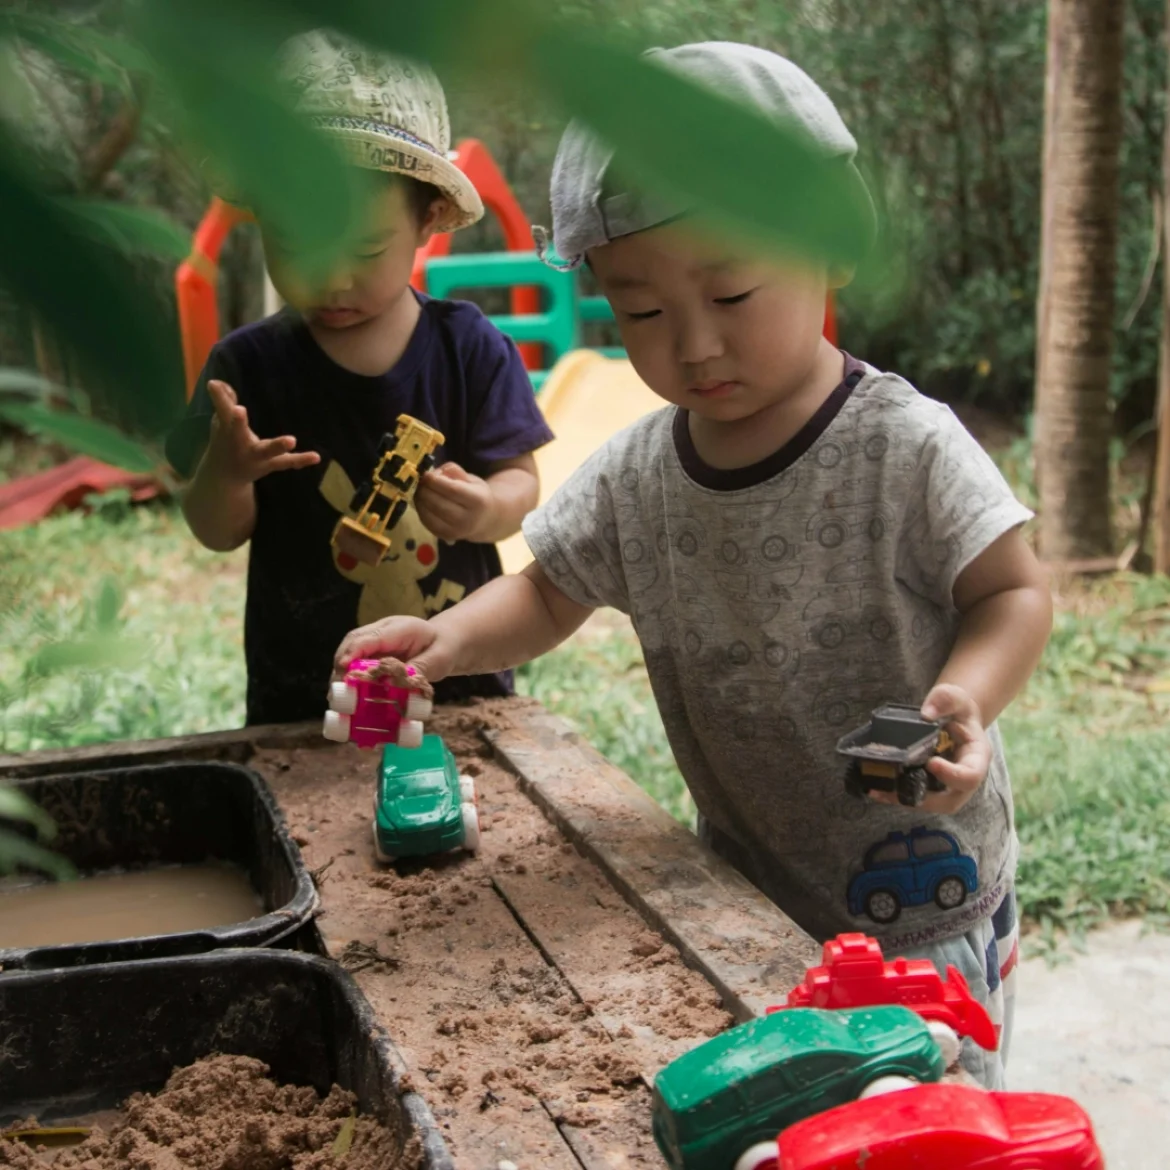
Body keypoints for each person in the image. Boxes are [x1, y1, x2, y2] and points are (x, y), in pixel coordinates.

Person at [334, 42, 1051, 1087]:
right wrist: (444, 642)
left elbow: (1016, 589)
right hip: (747, 887)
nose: (697, 345)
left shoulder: (904, 446)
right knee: (783, 1121)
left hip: (923, 899)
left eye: (733, 292)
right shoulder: (639, 474)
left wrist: (970, 702)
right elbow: (546, 589)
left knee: (919, 1124)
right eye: (646, 313)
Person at [166, 30, 553, 725]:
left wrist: (487, 508)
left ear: (428, 219)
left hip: (458, 685)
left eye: (366, 248)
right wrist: (225, 475)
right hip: (307, 697)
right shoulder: (245, 369)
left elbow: (521, 485)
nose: (332, 277)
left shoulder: (469, 347)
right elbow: (216, 533)